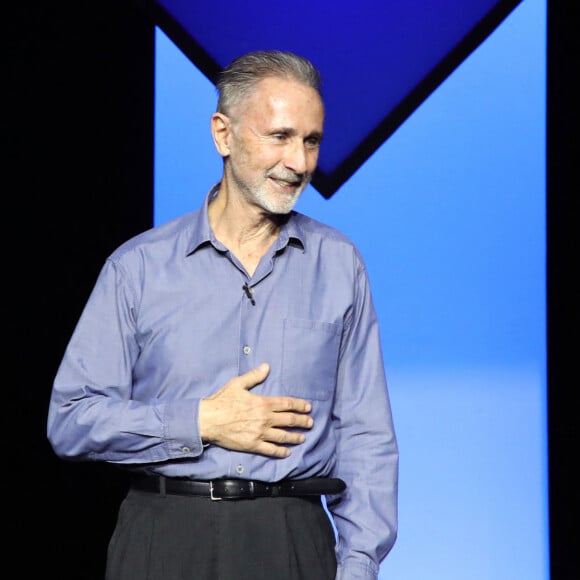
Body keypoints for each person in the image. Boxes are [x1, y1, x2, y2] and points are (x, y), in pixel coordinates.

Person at [47, 50, 398, 580]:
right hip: (164, 537)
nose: (300, 162)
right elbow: (71, 419)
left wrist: (358, 565)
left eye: (311, 141)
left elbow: (367, 436)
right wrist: (200, 422)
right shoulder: (138, 267)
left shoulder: (338, 264)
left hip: (292, 538)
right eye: (280, 137)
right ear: (223, 135)